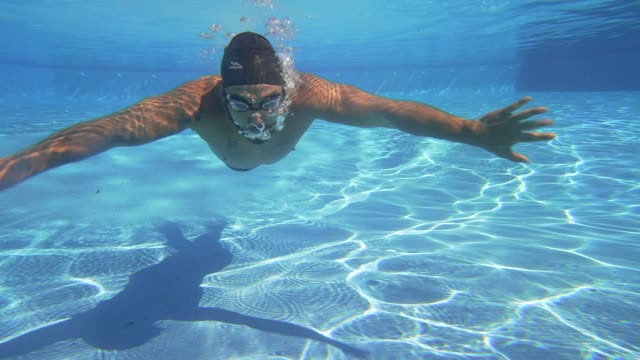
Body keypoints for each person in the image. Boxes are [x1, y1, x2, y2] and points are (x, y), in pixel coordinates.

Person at [0, 32, 555, 191]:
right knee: (239, 158)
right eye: (240, 100)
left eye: (271, 101)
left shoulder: (312, 93)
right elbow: (105, 132)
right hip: (233, 163)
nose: (256, 114)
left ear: (287, 90)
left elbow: (392, 113)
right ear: (221, 90)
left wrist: (472, 131)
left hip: (269, 161)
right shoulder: (192, 104)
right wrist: (14, 169)